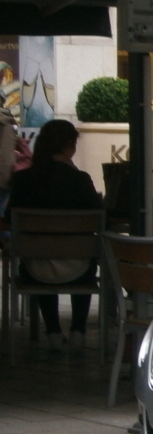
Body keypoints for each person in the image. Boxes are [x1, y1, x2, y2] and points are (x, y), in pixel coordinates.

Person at [7, 119, 101, 349]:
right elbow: (100, 217)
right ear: (69, 145)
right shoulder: (80, 180)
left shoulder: (23, 181)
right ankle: (78, 329)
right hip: (78, 270)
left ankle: (53, 331)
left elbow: (10, 219)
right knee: (87, 258)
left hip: (34, 271)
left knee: (41, 252)